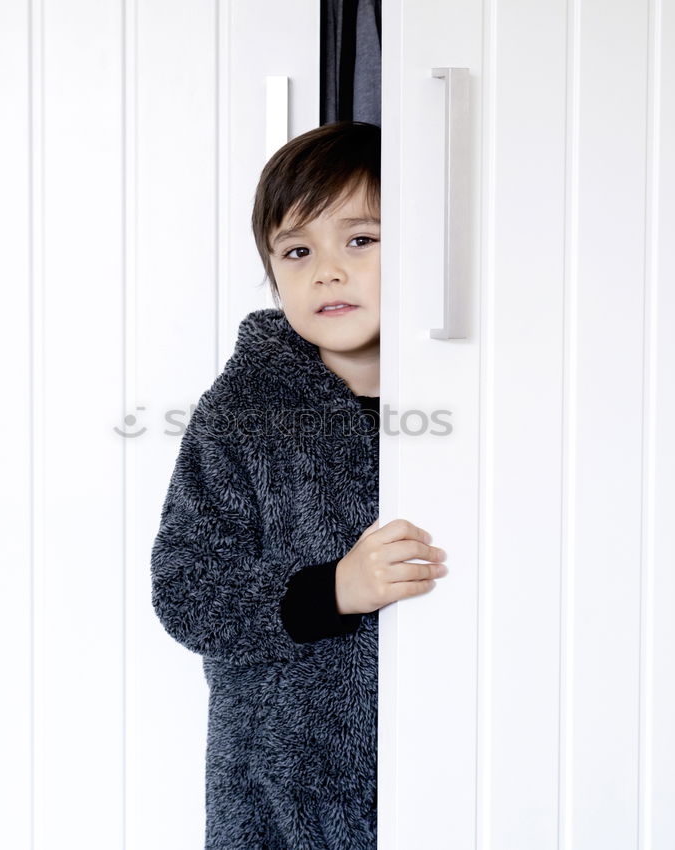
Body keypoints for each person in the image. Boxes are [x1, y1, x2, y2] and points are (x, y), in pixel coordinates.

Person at [150, 120, 448, 850]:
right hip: (283, 781)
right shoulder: (243, 412)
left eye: (361, 240)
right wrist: (334, 590)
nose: (327, 271)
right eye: (297, 250)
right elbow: (187, 590)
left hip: (450, 757)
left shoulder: (470, 398)